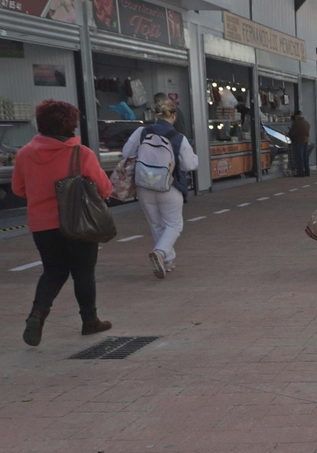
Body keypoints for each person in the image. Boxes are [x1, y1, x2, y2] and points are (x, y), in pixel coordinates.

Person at [11, 100, 114, 345]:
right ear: (72, 124)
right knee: (83, 272)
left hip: (42, 225)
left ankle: (38, 312)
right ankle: (90, 321)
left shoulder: (24, 154)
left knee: (53, 270)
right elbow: (105, 189)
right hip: (79, 223)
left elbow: (18, 189)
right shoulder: (82, 154)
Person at [120, 99, 199, 279]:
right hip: (169, 186)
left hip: (144, 186)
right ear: (173, 116)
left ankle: (168, 260)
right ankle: (161, 252)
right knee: (174, 224)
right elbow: (190, 165)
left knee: (156, 224)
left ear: (155, 115)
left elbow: (126, 153)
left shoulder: (142, 132)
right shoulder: (178, 138)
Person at [289, 110, 312, 177]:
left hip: (299, 142)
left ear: (297, 116)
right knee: (305, 157)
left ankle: (301, 173)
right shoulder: (307, 123)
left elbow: (292, 132)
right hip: (305, 141)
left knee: (299, 158)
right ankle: (307, 172)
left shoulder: (297, 123)